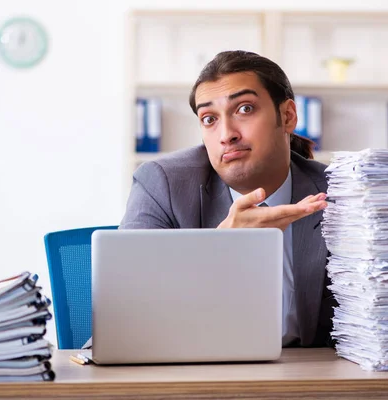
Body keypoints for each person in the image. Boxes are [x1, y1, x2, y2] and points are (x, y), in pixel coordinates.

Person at [120, 50, 336, 348]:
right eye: (209, 118)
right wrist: (219, 250)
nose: (226, 134)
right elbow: (124, 314)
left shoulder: (339, 193)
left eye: (245, 109)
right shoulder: (162, 185)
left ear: (287, 116)